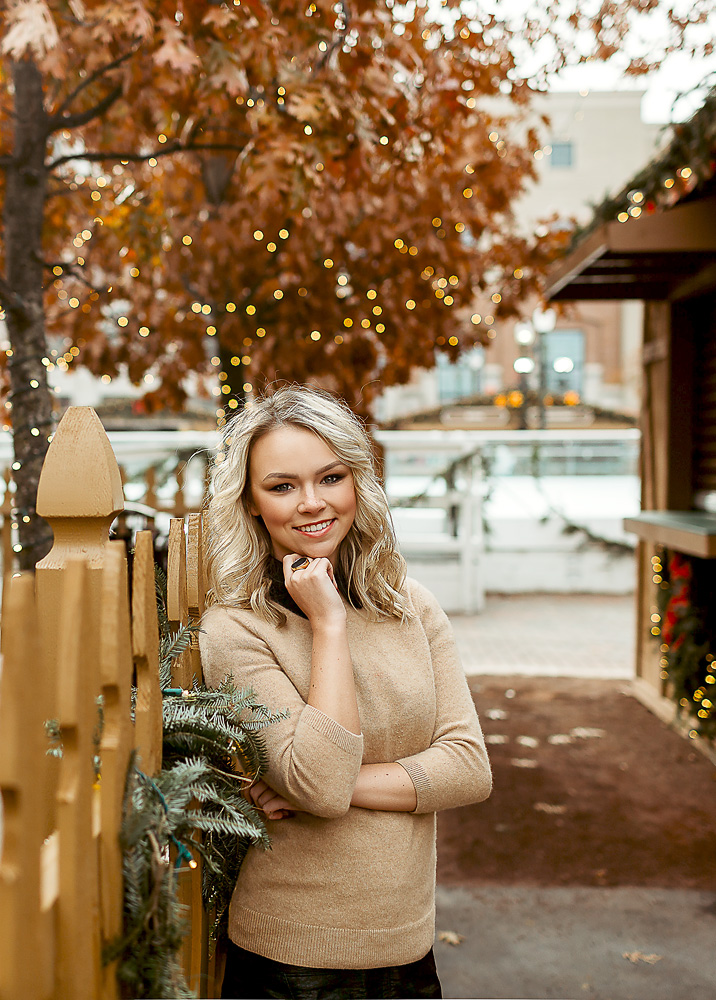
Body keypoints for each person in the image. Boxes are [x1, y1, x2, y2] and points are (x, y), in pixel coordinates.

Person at [200, 385, 492, 1000]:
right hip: (290, 958)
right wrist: (327, 623)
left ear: (357, 482)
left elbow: (468, 767)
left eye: (330, 477)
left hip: (410, 948)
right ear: (250, 502)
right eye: (281, 486)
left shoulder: (411, 606)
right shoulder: (237, 629)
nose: (311, 503)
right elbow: (321, 785)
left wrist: (300, 785)